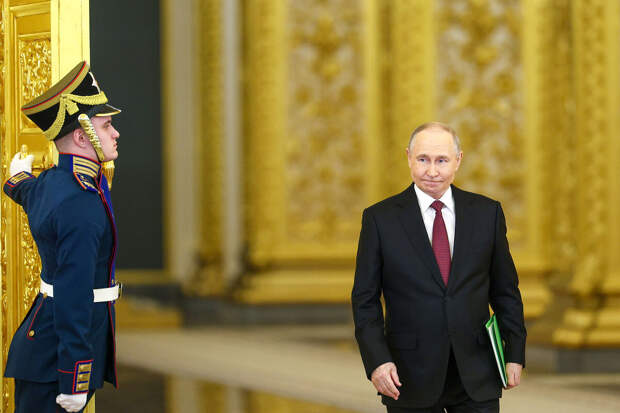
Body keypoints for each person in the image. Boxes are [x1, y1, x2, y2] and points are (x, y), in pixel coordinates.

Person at [351, 122, 526, 412]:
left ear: (458, 160)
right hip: (409, 374)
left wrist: (515, 353)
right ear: (408, 157)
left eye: (441, 160)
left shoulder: (487, 213)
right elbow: (364, 299)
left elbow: (505, 291)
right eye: (423, 159)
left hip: (476, 372)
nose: (432, 171)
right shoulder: (380, 219)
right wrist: (377, 361)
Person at [3, 61, 121, 413]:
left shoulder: (54, 182)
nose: (116, 133)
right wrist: (75, 376)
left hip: (44, 343)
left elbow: (29, 191)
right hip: (56, 360)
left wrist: (17, 180)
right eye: (107, 126)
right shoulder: (80, 203)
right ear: (82, 137)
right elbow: (74, 292)